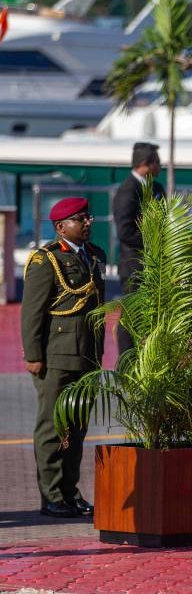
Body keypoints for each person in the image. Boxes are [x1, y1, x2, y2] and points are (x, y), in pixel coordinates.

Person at [21, 197, 106, 518]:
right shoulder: (47, 260)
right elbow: (32, 311)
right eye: (80, 219)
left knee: (76, 429)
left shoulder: (96, 256)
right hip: (55, 356)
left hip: (88, 355)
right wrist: (33, 355)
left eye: (88, 217)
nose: (88, 223)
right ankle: (52, 495)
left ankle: (71, 493)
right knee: (52, 428)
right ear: (61, 227)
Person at [112, 141, 165, 354]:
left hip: (156, 262)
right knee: (132, 311)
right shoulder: (127, 191)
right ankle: (127, 358)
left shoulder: (156, 188)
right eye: (158, 163)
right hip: (135, 262)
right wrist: (152, 242)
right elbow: (125, 232)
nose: (160, 167)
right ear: (146, 164)